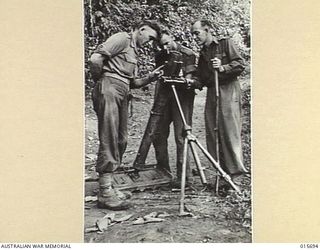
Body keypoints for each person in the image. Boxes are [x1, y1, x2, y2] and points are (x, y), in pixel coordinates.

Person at [88, 20, 163, 210]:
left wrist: (151, 77)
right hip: (109, 88)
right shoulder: (122, 38)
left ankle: (109, 185)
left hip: (123, 92)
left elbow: (133, 83)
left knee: (121, 139)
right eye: (150, 37)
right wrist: (102, 83)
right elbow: (95, 59)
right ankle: (105, 192)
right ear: (142, 29)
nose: (149, 42)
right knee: (110, 137)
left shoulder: (134, 52)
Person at [191, 20, 248, 188]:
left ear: (207, 30)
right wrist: (191, 81)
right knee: (212, 131)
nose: (195, 37)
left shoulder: (225, 43)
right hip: (212, 92)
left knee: (229, 131)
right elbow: (202, 77)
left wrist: (223, 67)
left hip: (228, 90)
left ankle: (236, 174)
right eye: (193, 34)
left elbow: (240, 64)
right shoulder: (203, 52)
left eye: (197, 33)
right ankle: (220, 172)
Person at [150, 30, 198, 186]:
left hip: (182, 97)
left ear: (172, 37)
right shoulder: (160, 55)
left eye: (166, 43)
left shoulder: (187, 54)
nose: (164, 48)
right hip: (164, 97)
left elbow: (189, 79)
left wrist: (183, 80)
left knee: (181, 135)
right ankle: (163, 173)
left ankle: (185, 177)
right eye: (160, 45)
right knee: (158, 133)